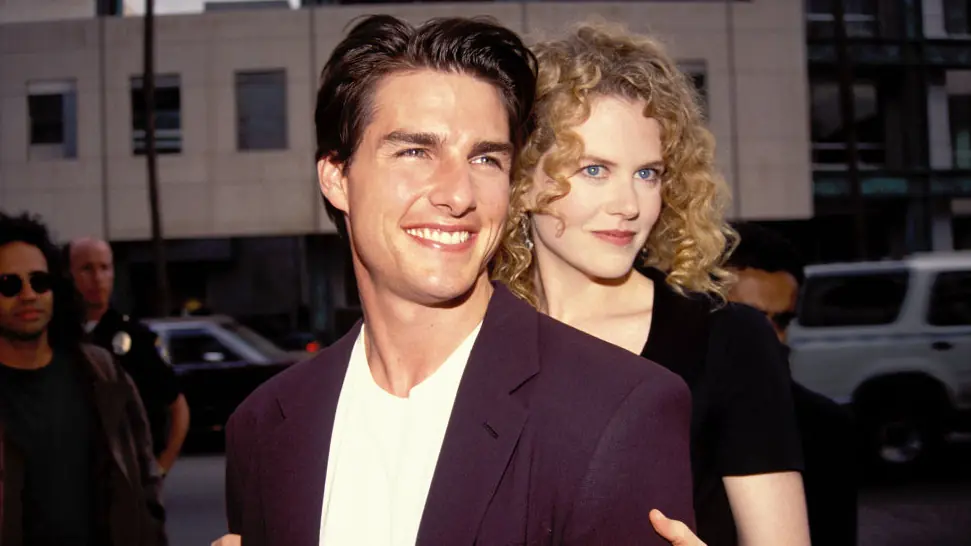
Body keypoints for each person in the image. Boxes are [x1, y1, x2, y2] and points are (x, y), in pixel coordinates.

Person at [220, 15, 696, 546]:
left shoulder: (617, 410)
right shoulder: (265, 426)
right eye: (416, 151)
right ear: (336, 177)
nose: (458, 193)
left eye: (485, 158)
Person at [492, 23, 811, 546]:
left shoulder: (729, 342)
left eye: (648, 174)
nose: (630, 205)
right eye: (595, 169)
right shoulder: (477, 339)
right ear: (524, 180)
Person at [0, 212, 167, 546]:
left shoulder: (100, 371)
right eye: (9, 284)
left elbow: (143, 471)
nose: (29, 295)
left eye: (39, 281)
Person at [726, 221, 858, 546]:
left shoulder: (824, 428)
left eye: (782, 321)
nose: (769, 337)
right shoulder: (665, 414)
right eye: (751, 319)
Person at [66, 236, 190, 476]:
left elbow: (178, 406)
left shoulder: (135, 338)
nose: (97, 278)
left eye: (104, 267)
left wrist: (160, 467)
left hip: (128, 475)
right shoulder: (61, 338)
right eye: (86, 269)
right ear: (69, 275)